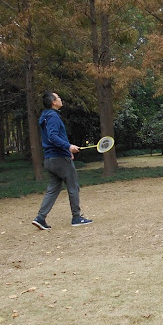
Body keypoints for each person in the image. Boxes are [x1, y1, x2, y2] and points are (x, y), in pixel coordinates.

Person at [32, 92, 93, 230]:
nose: (61, 99)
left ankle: (40, 218)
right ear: (53, 102)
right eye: (58, 98)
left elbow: (51, 138)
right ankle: (76, 217)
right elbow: (53, 137)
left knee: (53, 189)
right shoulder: (53, 117)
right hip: (59, 158)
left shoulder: (45, 117)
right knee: (73, 187)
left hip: (50, 159)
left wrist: (67, 150)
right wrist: (68, 147)